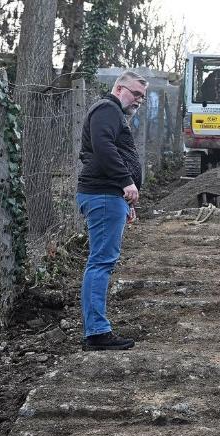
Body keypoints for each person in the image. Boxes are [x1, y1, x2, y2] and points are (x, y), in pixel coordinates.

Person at [76, 71, 148, 351]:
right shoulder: (107, 109)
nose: (139, 100)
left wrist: (125, 200)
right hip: (103, 193)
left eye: (143, 96)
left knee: (102, 260)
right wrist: (126, 182)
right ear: (119, 88)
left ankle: (96, 329)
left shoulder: (113, 111)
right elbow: (104, 147)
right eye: (135, 93)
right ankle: (96, 333)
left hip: (109, 195)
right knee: (101, 262)